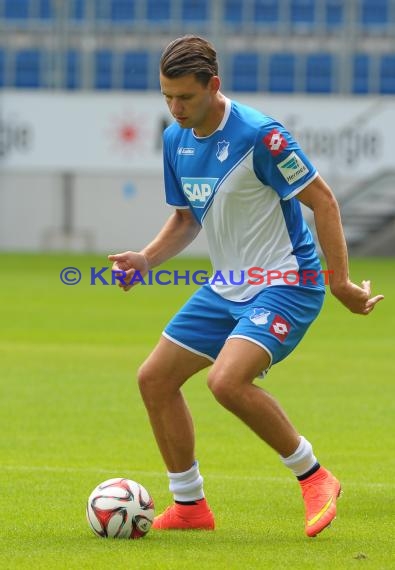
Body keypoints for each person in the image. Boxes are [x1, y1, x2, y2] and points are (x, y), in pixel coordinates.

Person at [108, 35, 384, 537]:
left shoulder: (262, 136)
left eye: (185, 97)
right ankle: (190, 506)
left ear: (214, 86)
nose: (175, 108)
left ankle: (315, 476)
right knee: (154, 379)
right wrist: (146, 258)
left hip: (288, 281)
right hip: (228, 285)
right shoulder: (176, 139)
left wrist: (339, 281)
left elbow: (324, 202)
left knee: (226, 382)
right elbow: (187, 219)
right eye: (166, 96)